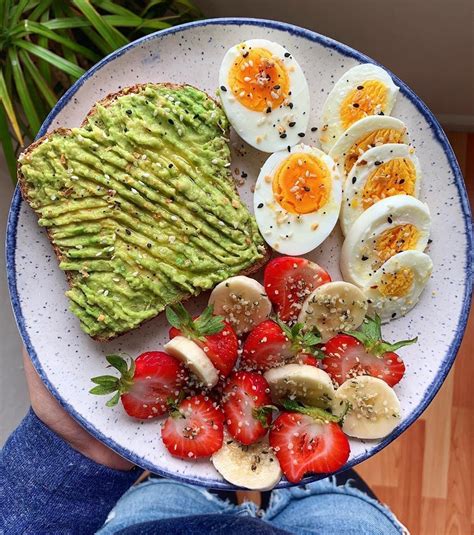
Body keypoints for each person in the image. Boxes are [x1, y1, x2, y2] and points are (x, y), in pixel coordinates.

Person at [1, 351, 408, 534]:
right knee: (321, 479)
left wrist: (69, 450)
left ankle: (290, 445)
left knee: (187, 469)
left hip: (153, 522)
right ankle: (308, 456)